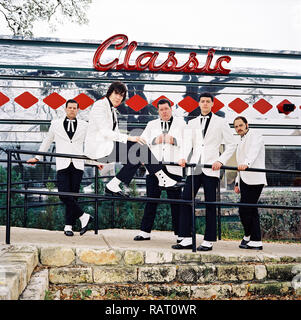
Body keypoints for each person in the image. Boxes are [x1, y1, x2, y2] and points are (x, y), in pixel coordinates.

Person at [84, 81, 183, 197]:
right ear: (110, 92)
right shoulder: (100, 105)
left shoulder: (112, 110)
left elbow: (113, 134)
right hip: (99, 149)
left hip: (106, 148)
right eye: (116, 93)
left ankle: (113, 185)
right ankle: (163, 179)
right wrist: (129, 138)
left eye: (121, 95)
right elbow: (105, 132)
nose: (118, 97)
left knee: (137, 154)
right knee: (139, 147)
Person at [172, 92, 236, 251]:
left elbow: (232, 144)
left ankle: (208, 240)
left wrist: (221, 161)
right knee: (186, 200)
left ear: (213, 104)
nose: (205, 104)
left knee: (210, 204)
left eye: (208, 101)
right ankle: (186, 238)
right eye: (203, 101)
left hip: (211, 167)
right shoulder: (191, 123)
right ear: (199, 104)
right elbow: (186, 144)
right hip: (194, 167)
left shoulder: (221, 122)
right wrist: (182, 158)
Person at [27, 99, 101, 237]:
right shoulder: (55, 124)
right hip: (62, 164)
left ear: (78, 110)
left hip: (78, 165)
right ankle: (84, 216)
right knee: (64, 195)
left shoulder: (85, 125)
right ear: (65, 109)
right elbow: (47, 141)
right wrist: (37, 157)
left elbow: (90, 145)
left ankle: (69, 226)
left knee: (73, 196)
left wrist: (95, 161)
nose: (72, 110)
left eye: (74, 108)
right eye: (70, 107)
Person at [133, 99, 187, 242]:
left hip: (173, 167)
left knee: (176, 202)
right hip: (154, 168)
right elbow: (142, 141)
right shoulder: (151, 124)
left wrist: (174, 140)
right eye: (161, 109)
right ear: (158, 111)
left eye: (166, 109)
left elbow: (188, 142)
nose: (164, 112)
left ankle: (180, 234)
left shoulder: (181, 123)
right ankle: (145, 232)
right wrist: (153, 141)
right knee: (151, 200)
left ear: (171, 109)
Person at [233, 116, 267, 250]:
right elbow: (238, 162)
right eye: (236, 127)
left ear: (247, 124)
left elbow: (253, 151)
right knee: (246, 209)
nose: (238, 128)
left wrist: (246, 164)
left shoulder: (255, 135)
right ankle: (249, 236)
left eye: (240, 125)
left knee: (248, 208)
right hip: (244, 179)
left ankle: (255, 239)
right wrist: (237, 182)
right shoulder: (240, 140)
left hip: (255, 179)